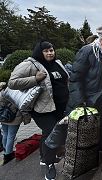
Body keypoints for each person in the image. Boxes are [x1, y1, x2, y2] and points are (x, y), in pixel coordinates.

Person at [7, 41, 69, 179]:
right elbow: (12, 82)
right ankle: (49, 164)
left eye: (51, 50)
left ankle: (43, 157)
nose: (50, 53)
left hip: (59, 107)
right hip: (42, 109)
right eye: (46, 51)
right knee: (52, 133)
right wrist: (35, 78)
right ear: (39, 52)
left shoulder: (58, 62)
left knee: (49, 133)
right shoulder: (30, 64)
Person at [66, 24, 102, 153]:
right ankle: (88, 155)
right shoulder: (88, 51)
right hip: (91, 99)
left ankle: (99, 151)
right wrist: (80, 101)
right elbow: (75, 78)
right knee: (90, 130)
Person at [0, 96, 31, 165]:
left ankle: (6, 152)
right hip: (14, 118)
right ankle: (8, 155)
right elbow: (22, 106)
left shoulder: (2, 91)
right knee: (11, 136)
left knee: (5, 134)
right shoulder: (16, 92)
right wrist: (26, 119)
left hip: (3, 116)